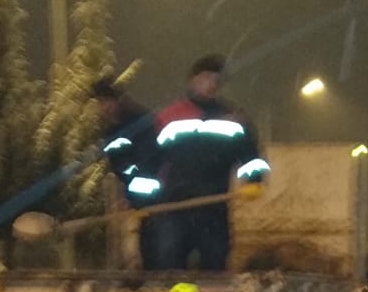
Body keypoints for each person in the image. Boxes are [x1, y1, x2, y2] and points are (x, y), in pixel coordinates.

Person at [146, 54, 269, 270]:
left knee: (215, 262)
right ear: (194, 80)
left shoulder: (233, 118)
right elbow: (151, 159)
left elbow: (250, 154)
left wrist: (253, 180)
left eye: (216, 79)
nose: (211, 84)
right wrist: (145, 198)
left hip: (214, 206)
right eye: (206, 78)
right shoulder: (170, 116)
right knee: (172, 264)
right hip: (175, 205)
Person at [91, 77, 162, 268]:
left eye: (106, 102)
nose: (103, 108)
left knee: (151, 253)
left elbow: (148, 165)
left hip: (151, 201)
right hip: (133, 200)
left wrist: (133, 198)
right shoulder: (111, 130)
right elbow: (118, 164)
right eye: (100, 103)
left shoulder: (140, 123)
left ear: (117, 100)